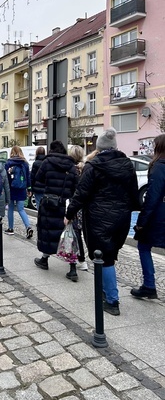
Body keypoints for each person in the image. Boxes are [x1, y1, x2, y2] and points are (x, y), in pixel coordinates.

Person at [65, 128, 139, 315]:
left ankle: (112, 300)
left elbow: (81, 194)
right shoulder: (128, 165)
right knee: (110, 255)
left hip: (99, 217)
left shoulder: (93, 166)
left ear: (99, 147)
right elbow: (134, 195)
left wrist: (69, 213)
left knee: (103, 259)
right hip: (121, 218)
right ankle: (106, 292)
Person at [34, 140, 78, 280]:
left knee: (48, 231)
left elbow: (38, 178)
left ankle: (45, 259)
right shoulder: (71, 165)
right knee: (68, 234)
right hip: (65, 204)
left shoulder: (47, 163)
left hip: (49, 203)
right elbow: (76, 186)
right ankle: (72, 268)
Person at [131, 134, 165, 300]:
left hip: (158, 216)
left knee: (144, 247)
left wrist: (141, 222)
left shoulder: (159, 167)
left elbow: (152, 196)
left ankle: (149, 285)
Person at [4, 145, 33, 239]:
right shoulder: (25, 163)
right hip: (21, 189)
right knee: (21, 209)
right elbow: (28, 177)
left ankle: (11, 228)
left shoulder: (8, 163)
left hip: (11, 189)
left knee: (11, 209)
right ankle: (28, 227)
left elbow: (5, 177)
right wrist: (29, 189)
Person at [68, 145, 88, 271]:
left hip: (74, 203)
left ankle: (79, 260)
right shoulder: (86, 168)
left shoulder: (71, 170)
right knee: (80, 233)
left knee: (74, 232)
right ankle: (82, 259)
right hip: (85, 205)